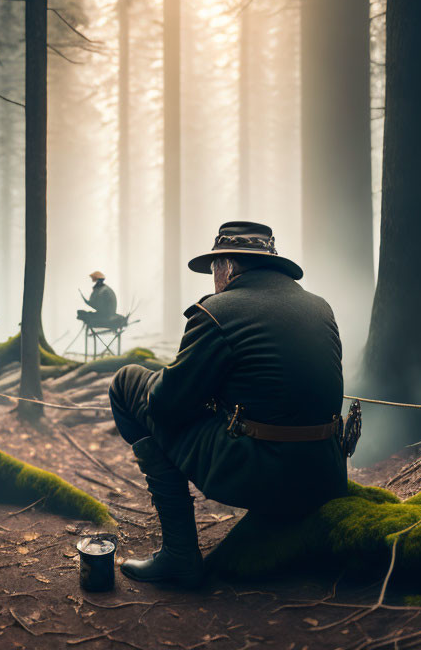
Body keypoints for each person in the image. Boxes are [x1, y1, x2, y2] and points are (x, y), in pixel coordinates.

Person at [108, 221, 346, 587]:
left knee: (128, 382)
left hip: (258, 474)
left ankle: (179, 554)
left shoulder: (219, 311)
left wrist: (169, 384)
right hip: (325, 475)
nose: (213, 278)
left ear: (227, 266)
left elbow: (163, 407)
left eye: (213, 268)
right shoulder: (320, 308)